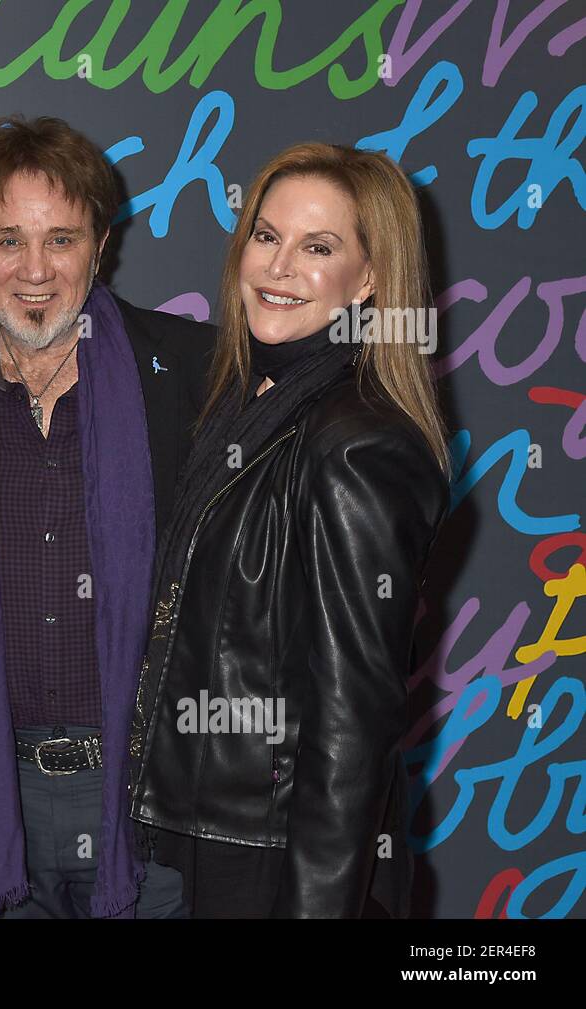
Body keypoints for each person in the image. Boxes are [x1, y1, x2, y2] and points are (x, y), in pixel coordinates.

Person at [0, 115, 213, 918]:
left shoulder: (189, 372)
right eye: (6, 240)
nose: (33, 270)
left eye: (60, 239)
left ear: (99, 245)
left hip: (148, 795)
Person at [127, 143, 451, 918]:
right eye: (266, 237)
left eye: (318, 247)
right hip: (199, 838)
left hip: (269, 863)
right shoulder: (247, 406)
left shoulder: (357, 442)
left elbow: (353, 726)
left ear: (370, 278)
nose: (277, 267)